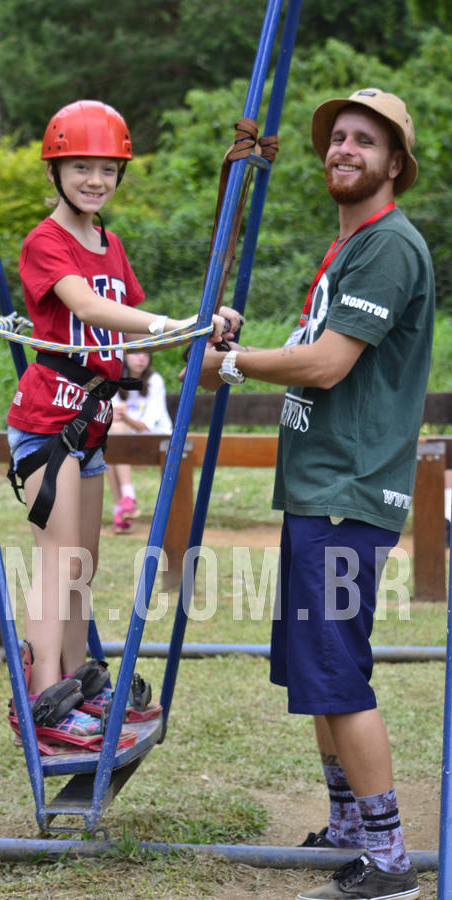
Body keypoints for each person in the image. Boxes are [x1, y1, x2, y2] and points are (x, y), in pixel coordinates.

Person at [199, 88, 433, 900]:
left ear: (394, 163)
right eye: (338, 136)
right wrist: (239, 342)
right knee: (317, 673)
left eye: (365, 140)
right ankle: (349, 828)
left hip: (348, 491)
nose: (345, 148)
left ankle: (390, 859)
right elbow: (313, 347)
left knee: (338, 671)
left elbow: (330, 364)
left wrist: (234, 364)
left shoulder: (389, 245)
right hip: (318, 489)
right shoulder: (349, 246)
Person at [6, 99, 240, 750]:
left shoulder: (110, 245)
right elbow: (87, 308)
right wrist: (175, 322)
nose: (95, 180)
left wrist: (201, 326)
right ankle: (42, 702)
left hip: (91, 424)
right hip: (49, 423)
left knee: (83, 564)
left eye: (107, 169)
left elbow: (131, 337)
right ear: (55, 171)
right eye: (80, 167)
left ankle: (77, 684)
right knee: (58, 561)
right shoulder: (46, 242)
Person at [106, 349, 173, 533]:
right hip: (123, 439)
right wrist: (116, 416)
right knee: (112, 439)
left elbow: (145, 426)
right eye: (136, 353)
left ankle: (123, 504)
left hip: (156, 440)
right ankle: (125, 504)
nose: (141, 358)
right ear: (125, 356)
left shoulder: (155, 381)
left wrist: (123, 417)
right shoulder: (115, 380)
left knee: (115, 437)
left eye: (146, 354)